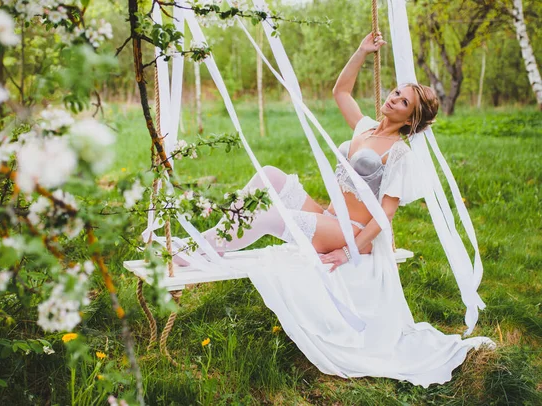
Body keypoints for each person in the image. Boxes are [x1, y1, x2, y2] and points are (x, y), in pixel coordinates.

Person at [175, 32, 495, 387]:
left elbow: (385, 215)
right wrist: (361, 51)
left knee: (270, 215)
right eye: (395, 93)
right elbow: (340, 92)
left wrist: (348, 250)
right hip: (331, 218)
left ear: (411, 118)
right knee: (269, 176)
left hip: (352, 232)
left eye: (402, 102)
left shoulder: (400, 153)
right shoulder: (366, 127)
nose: (392, 100)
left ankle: (194, 252)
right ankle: (201, 242)